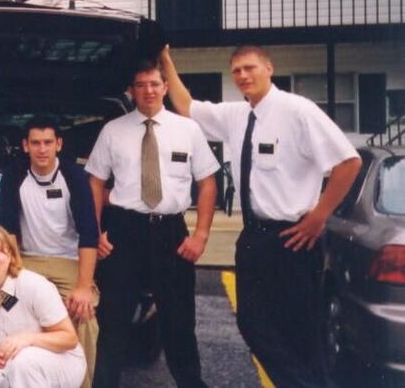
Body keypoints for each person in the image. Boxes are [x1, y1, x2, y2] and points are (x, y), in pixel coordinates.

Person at [161, 44, 362, 387]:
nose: (243, 75)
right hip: (254, 238)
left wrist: (319, 216)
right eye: (236, 70)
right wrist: (165, 61)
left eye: (250, 67)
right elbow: (186, 106)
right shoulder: (238, 115)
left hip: (293, 239)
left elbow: (348, 162)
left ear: (269, 68)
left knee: (301, 335)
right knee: (254, 326)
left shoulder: (298, 111)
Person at [86, 58, 220, 388]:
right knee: (113, 320)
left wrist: (201, 235)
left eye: (155, 84)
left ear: (164, 87)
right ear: (131, 91)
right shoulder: (112, 131)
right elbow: (95, 183)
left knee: (179, 321)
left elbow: (207, 183)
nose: (148, 90)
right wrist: (95, 232)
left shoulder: (187, 130)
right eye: (141, 85)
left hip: (170, 232)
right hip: (122, 231)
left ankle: (191, 383)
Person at [0, 116, 99, 388]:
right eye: (35, 143)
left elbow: (89, 233)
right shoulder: (13, 175)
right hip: (26, 260)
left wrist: (84, 286)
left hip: (67, 261)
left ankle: (81, 382)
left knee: (84, 314)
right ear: (25, 145)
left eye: (48, 142)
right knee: (7, 306)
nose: (42, 149)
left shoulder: (74, 176)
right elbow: (8, 230)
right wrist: (14, 277)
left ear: (59, 144)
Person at [0, 225, 86, 388]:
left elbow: (69, 339)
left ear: (11, 256)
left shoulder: (33, 285)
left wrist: (29, 339)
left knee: (23, 363)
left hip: (60, 361)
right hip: (8, 363)